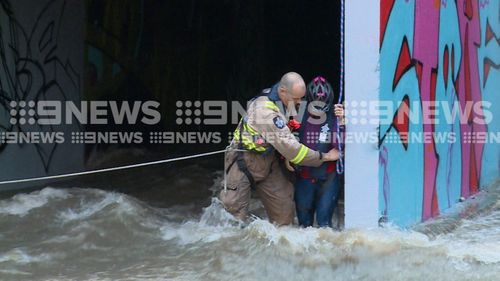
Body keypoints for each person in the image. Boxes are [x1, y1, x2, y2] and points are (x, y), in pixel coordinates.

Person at [219, 72, 340, 226]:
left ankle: (280, 247)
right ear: (283, 92)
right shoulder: (266, 112)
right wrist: (325, 157)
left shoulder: (284, 98)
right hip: (243, 161)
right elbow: (294, 150)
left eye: (301, 98)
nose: (300, 103)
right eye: (296, 99)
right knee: (232, 216)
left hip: (268, 160)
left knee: (284, 207)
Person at [293, 76, 344, 228]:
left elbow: (339, 145)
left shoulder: (335, 115)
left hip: (328, 178)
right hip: (304, 177)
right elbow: (288, 142)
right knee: (304, 226)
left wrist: (341, 122)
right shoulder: (298, 114)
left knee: (324, 225)